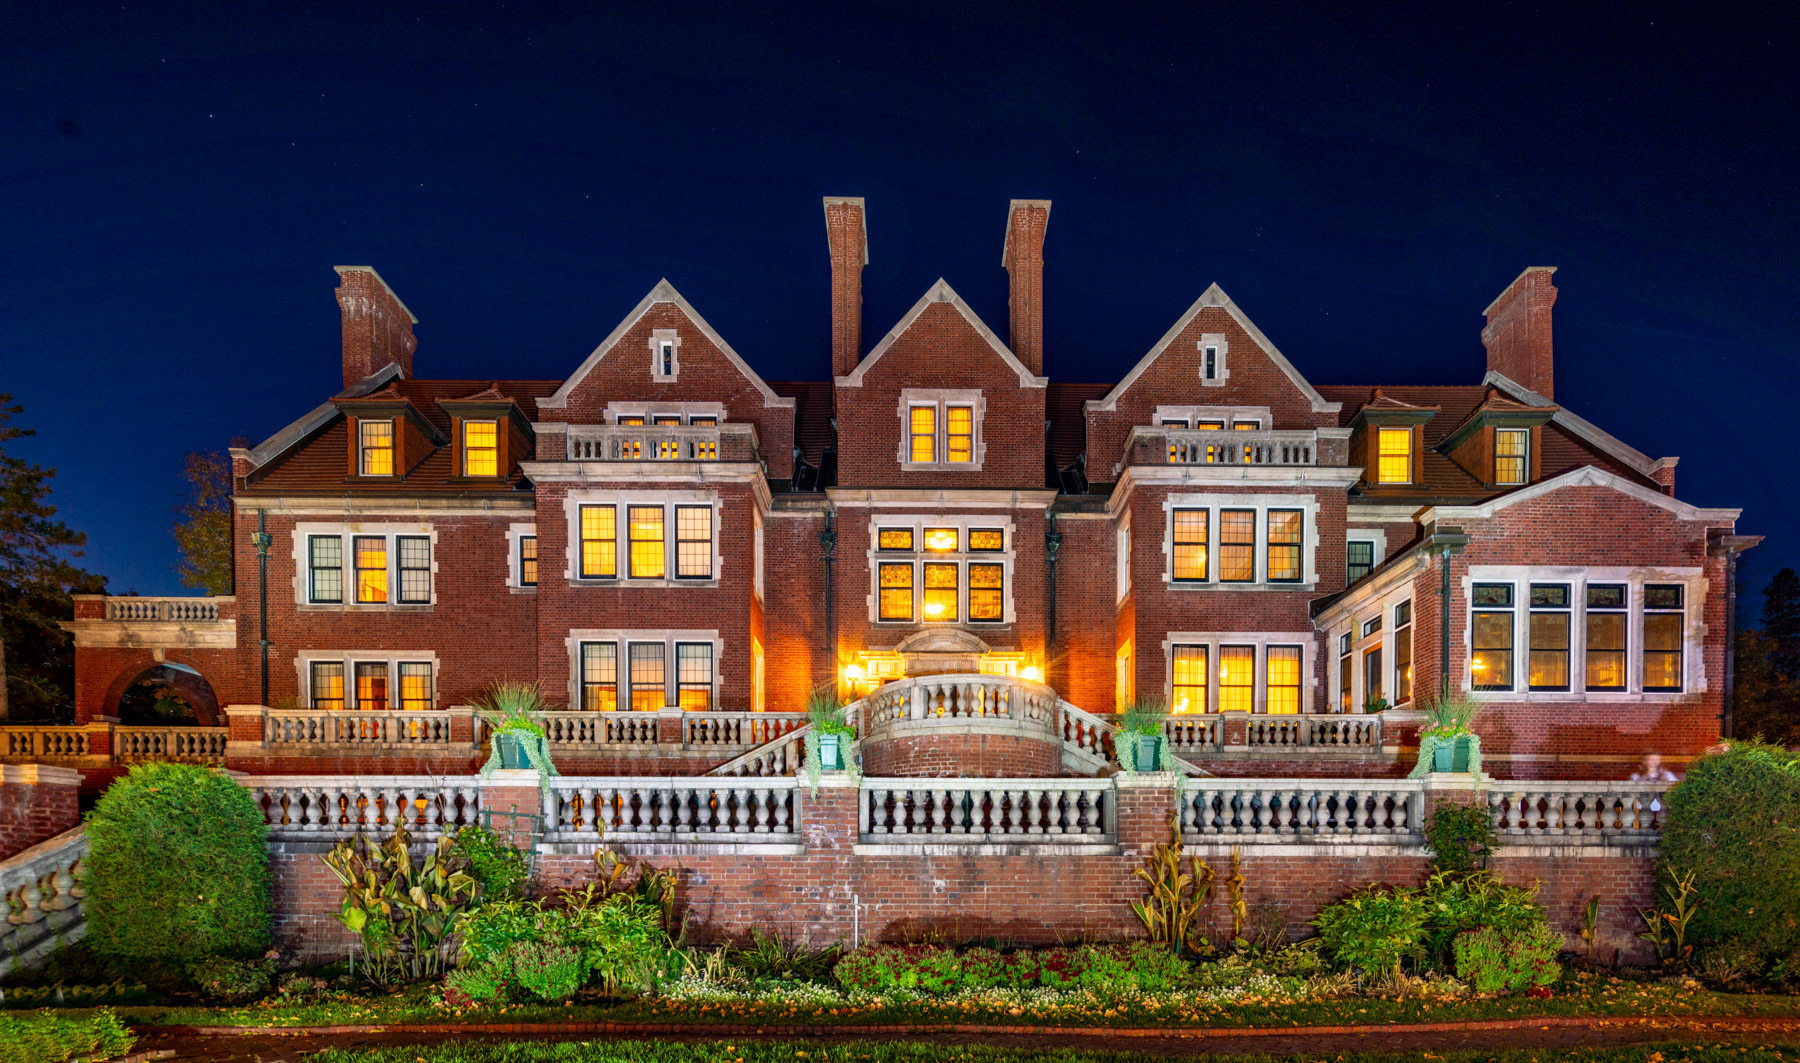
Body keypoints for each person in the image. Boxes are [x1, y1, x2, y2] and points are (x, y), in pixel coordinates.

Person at [1628, 753, 1678, 819]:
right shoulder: (1636, 776)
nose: (1654, 761)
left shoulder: (1667, 775)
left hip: (1662, 807)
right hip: (1642, 807)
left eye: (1657, 759)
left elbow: (1676, 786)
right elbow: (1631, 791)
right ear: (1645, 761)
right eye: (1651, 759)